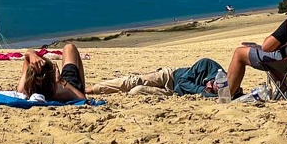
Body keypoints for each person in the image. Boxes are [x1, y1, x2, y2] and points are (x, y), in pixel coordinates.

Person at [86, 58, 223, 96]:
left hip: (173, 92)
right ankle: (93, 89)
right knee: (133, 81)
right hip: (171, 76)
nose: (210, 87)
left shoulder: (221, 92)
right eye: (212, 84)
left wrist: (208, 92)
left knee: (136, 91)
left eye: (213, 89)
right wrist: (201, 90)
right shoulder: (207, 64)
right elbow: (182, 81)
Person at [16, 43, 86, 101]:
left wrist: (31, 54)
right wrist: (61, 81)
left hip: (55, 83)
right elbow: (83, 98)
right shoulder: (60, 92)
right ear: (53, 83)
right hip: (69, 86)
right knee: (69, 47)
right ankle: (83, 88)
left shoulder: (24, 90)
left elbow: (27, 58)